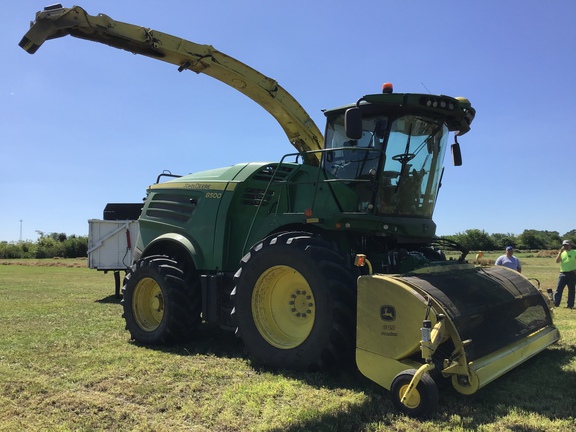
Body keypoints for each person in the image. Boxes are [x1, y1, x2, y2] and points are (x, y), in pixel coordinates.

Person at [553, 240, 576, 309]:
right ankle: (556, 304)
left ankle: (570, 305)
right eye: (564, 245)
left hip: (572, 274)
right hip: (563, 273)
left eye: (566, 245)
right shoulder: (562, 253)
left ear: (570, 245)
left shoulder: (574, 252)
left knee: (571, 290)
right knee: (558, 289)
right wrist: (560, 253)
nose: (565, 246)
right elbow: (557, 261)